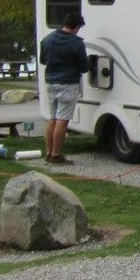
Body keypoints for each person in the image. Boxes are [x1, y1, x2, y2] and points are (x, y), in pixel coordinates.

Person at [38, 12, 90, 165]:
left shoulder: (47, 40)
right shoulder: (76, 43)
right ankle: (56, 155)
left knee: (52, 118)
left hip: (50, 82)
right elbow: (84, 67)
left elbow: (42, 60)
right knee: (63, 120)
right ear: (77, 27)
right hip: (68, 83)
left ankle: (48, 152)